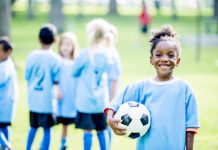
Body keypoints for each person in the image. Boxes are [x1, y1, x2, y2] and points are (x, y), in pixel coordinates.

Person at [105, 24, 200, 150]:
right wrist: (110, 118)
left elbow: (191, 125)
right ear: (151, 59)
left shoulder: (185, 89)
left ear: (178, 61)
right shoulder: (141, 87)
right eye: (159, 55)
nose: (165, 59)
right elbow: (115, 102)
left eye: (171, 55)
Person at [72, 18, 119, 150]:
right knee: (102, 130)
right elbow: (112, 77)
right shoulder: (108, 55)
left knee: (87, 131)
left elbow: (74, 72)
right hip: (101, 102)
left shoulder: (85, 54)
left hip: (85, 102)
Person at [25, 24, 61, 150]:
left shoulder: (31, 56)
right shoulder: (55, 59)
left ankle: (28, 148)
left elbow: (27, 77)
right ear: (55, 41)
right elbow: (57, 81)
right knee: (47, 129)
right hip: (47, 101)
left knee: (33, 127)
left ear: (39, 39)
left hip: (33, 99)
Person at [55, 32, 79, 150]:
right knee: (63, 122)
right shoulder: (57, 61)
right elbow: (54, 78)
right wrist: (57, 89)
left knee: (75, 120)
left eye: (69, 44)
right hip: (61, 95)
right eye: (63, 44)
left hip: (73, 95)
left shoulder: (77, 62)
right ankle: (63, 143)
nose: (65, 47)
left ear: (74, 46)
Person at [0, 37, 18, 150]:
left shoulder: (5, 66)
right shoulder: (7, 63)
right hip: (8, 101)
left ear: (8, 52)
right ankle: (6, 145)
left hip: (3, 102)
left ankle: (5, 145)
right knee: (4, 126)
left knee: (3, 125)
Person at [105, 24, 121, 150]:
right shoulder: (103, 54)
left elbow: (114, 79)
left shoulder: (113, 56)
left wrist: (112, 100)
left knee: (107, 124)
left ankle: (107, 146)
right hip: (101, 95)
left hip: (109, 96)